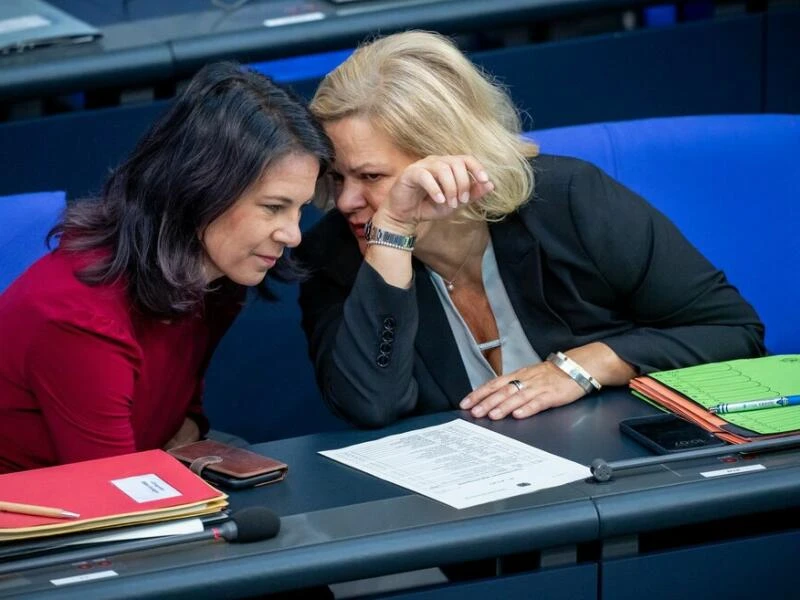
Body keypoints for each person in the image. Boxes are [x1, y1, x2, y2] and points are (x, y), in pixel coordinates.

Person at [296, 30, 766, 429]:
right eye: (336, 177)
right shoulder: (334, 256)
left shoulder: (569, 201)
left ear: (451, 156)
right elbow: (369, 405)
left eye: (371, 177)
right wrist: (392, 234)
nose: (344, 202)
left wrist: (591, 363)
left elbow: (732, 330)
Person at [0, 62, 332, 474]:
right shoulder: (80, 318)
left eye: (299, 209)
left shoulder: (219, 274)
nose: (293, 234)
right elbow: (115, 498)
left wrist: (180, 439)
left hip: (138, 464)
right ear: (201, 189)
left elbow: (182, 414)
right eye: (273, 207)